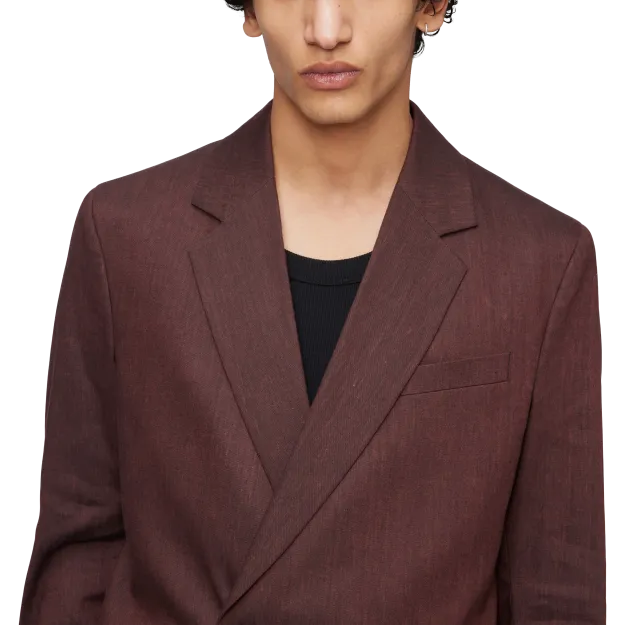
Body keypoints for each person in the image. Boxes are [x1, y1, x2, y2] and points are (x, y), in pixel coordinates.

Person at [20, 1, 607, 623]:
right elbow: (74, 567)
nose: (326, 29)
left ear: (432, 7)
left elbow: (557, 596)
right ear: (249, 11)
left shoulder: (539, 263)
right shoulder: (127, 236)